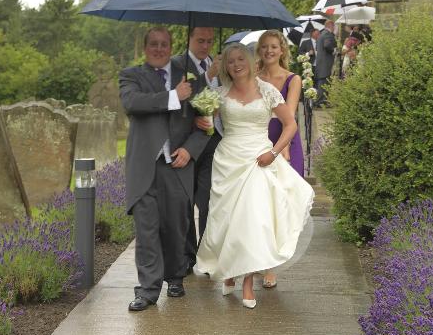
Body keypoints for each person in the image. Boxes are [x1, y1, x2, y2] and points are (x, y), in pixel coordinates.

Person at [196, 43, 315, 309]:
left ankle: (248, 281)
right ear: (225, 66)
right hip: (228, 160)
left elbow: (291, 124)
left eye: (240, 59)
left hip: (259, 160)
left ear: (250, 62)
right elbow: (198, 115)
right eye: (230, 61)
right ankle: (228, 272)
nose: (236, 64)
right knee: (227, 221)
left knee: (251, 220)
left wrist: (273, 153)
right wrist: (204, 105)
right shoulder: (219, 91)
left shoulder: (267, 90)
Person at [119, 26, 209, 312]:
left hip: (177, 165)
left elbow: (206, 124)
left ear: (172, 48)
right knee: (147, 230)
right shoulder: (131, 75)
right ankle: (147, 291)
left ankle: (175, 276)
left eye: (164, 44)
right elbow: (133, 103)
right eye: (154, 44)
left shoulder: (191, 79)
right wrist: (174, 96)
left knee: (175, 227)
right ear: (145, 48)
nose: (159, 49)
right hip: (144, 165)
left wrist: (191, 149)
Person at [256, 30, 305, 290]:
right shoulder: (253, 78)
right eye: (264, 47)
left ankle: (272, 264)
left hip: (284, 141)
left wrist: (282, 148)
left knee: (281, 205)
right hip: (259, 141)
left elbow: (290, 115)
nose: (269, 51)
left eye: (274, 46)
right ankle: (261, 261)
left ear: (282, 50)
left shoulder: (292, 79)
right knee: (261, 204)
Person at [172, 27, 222, 270]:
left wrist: (214, 111)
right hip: (185, 144)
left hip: (212, 142)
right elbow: (175, 105)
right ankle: (185, 255)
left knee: (207, 200)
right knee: (184, 201)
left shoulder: (218, 63)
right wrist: (193, 119)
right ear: (189, 39)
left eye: (210, 41)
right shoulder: (176, 65)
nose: (205, 46)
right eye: (200, 41)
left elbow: (219, 102)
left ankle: (205, 254)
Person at [314, 20, 337, 108]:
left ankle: (322, 101)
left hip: (321, 62)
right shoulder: (328, 34)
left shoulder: (321, 34)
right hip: (325, 63)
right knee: (324, 83)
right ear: (331, 26)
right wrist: (333, 50)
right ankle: (321, 102)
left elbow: (317, 47)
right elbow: (327, 45)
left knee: (323, 83)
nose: (335, 28)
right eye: (334, 26)